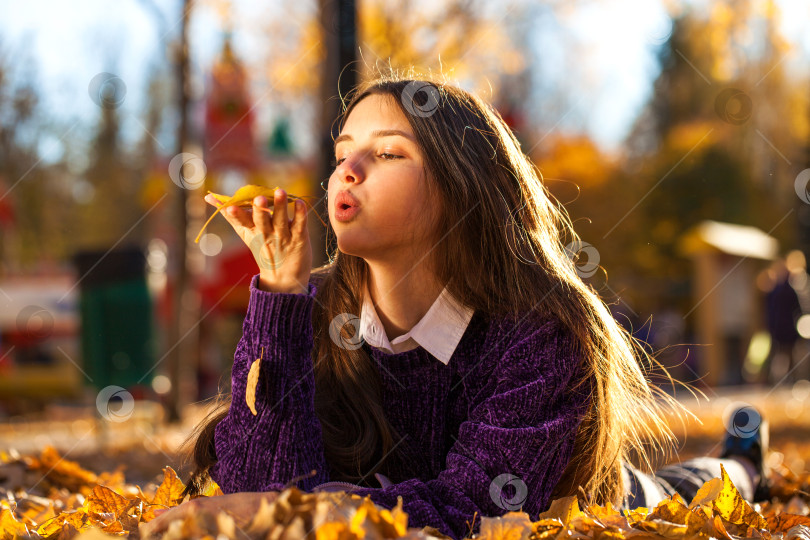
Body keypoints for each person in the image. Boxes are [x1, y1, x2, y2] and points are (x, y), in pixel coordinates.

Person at [141, 72, 770, 539]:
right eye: (340, 155)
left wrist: (310, 510)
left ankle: (744, 453)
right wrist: (277, 294)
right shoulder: (307, 310)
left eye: (386, 153)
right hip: (383, 503)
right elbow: (258, 489)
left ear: (461, 189)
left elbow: (480, 513)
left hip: (597, 494)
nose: (346, 171)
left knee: (694, 487)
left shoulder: (540, 335)